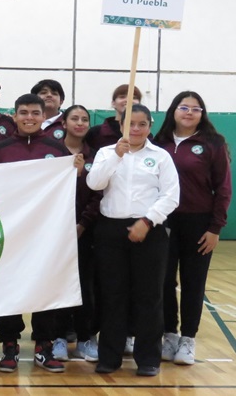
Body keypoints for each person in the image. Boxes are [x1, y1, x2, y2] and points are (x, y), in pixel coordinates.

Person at [0, 94, 84, 374]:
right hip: (9, 232)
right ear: (14, 116)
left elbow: (70, 191)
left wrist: (76, 173)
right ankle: (9, 345)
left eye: (34, 113)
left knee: (46, 288)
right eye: (23, 112)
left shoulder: (57, 150)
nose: (29, 117)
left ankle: (44, 346)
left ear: (44, 117)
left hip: (46, 235)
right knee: (9, 288)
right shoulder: (1, 149)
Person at [87, 104, 179, 377]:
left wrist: (148, 221)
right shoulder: (106, 152)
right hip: (110, 232)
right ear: (121, 125)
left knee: (149, 296)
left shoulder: (161, 157)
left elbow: (171, 195)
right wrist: (116, 156)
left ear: (150, 126)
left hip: (149, 231)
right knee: (113, 295)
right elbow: (94, 183)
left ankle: (149, 358)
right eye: (131, 124)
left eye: (142, 124)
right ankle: (110, 357)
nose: (136, 129)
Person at [154, 91, 232, 365]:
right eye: (184, 107)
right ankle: (169, 334)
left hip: (199, 222)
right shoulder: (158, 142)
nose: (189, 112)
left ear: (203, 113)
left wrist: (215, 228)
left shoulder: (213, 143)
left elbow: (223, 188)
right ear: (173, 111)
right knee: (164, 281)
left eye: (196, 108)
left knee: (193, 282)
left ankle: (188, 339)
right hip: (163, 221)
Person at [51, 105, 101, 363]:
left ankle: (85, 338)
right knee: (58, 285)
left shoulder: (96, 157)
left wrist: (83, 224)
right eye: (74, 118)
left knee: (85, 286)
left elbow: (97, 195)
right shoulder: (52, 154)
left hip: (85, 233)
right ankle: (58, 337)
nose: (80, 123)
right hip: (55, 233)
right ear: (64, 123)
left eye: (84, 119)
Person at [85, 84, 142, 152]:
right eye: (122, 97)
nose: (128, 100)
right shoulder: (95, 133)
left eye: (134, 97)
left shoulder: (143, 133)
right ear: (113, 103)